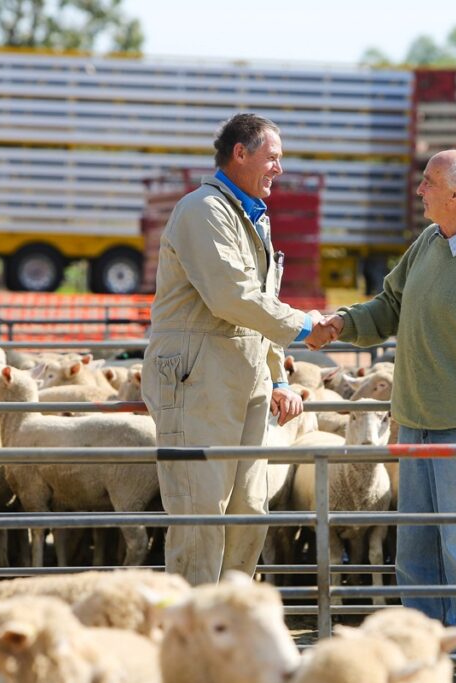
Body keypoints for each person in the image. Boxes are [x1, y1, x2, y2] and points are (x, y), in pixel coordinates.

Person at [311, 148, 456, 681]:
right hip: (415, 423)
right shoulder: (429, 243)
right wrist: (343, 323)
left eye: (429, 181)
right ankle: (424, 666)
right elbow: (389, 305)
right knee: (415, 554)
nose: (420, 190)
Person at [142, 113, 333, 586]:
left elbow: (256, 305)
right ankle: (193, 633)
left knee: (249, 509)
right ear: (240, 153)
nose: (279, 170)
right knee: (200, 509)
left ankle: (229, 620)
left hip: (242, 377)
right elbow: (231, 297)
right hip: (197, 374)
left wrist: (280, 377)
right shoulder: (203, 210)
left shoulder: (249, 217)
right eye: (273, 158)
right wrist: (305, 325)